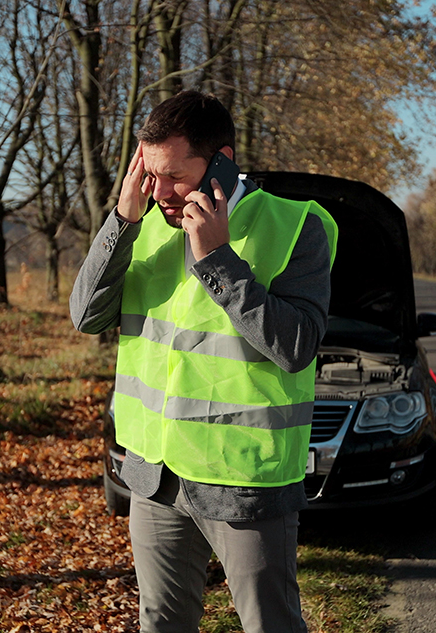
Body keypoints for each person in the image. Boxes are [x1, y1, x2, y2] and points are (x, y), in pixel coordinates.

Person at [69, 90, 336, 633]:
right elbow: (86, 316)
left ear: (223, 161)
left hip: (246, 483)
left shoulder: (295, 227)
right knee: (161, 622)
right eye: (150, 174)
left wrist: (218, 259)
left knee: (271, 624)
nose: (160, 192)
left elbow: (296, 345)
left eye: (175, 176)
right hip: (154, 476)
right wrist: (122, 219)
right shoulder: (141, 227)